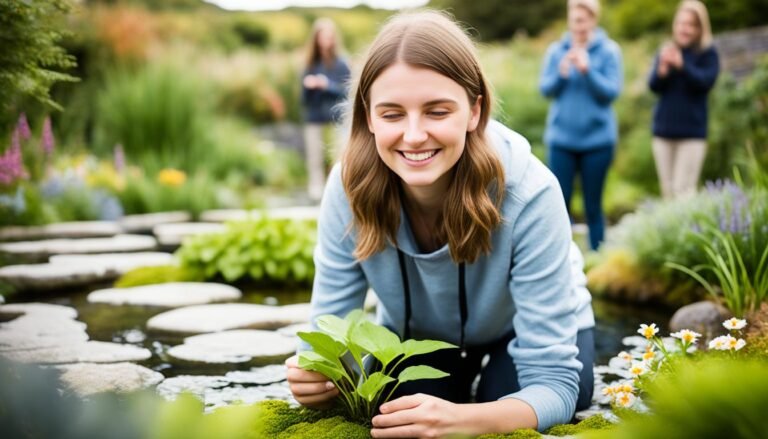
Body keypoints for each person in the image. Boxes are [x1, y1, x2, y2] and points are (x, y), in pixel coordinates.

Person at [285, 11, 595, 437]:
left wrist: (465, 420)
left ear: (474, 111)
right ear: (369, 117)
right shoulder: (347, 190)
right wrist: (317, 379)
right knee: (390, 416)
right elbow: (328, 339)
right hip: (418, 337)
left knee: (503, 406)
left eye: (436, 111)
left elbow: (555, 386)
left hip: (524, 331)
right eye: (392, 114)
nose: (414, 136)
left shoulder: (532, 192)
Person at [539, 0, 622, 251]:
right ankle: (560, 257)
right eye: (575, 20)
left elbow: (611, 92)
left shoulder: (608, 51)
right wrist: (561, 74)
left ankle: (596, 257)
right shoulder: (556, 51)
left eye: (584, 20)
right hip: (561, 141)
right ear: (569, 20)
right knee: (558, 202)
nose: (579, 26)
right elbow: (545, 89)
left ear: (593, 20)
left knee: (593, 205)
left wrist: (589, 71)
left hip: (597, 142)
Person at [649, 0, 719, 200]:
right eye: (681, 23)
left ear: (700, 28)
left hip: (691, 135)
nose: (685, 29)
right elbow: (654, 86)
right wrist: (661, 71)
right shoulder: (667, 50)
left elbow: (705, 82)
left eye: (690, 25)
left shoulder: (707, 54)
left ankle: (689, 231)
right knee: (668, 192)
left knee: (683, 192)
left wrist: (682, 65)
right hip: (663, 132)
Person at [301, 18, 351, 202]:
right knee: (314, 156)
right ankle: (316, 194)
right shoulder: (309, 64)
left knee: (340, 155)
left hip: (336, 116)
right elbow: (303, 99)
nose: (326, 40)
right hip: (314, 117)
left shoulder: (342, 63)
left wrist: (325, 85)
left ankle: (339, 192)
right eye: (322, 37)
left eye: (329, 36)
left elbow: (347, 91)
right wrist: (309, 87)